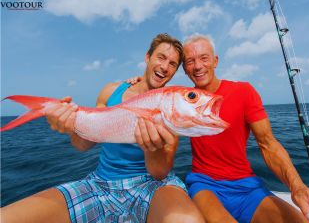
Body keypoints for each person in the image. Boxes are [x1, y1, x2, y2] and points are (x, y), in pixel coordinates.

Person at [129, 34, 309, 223]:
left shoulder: (243, 92)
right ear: (185, 69)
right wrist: (140, 82)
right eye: (190, 61)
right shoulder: (185, 99)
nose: (197, 66)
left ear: (215, 61)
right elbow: (159, 95)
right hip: (205, 185)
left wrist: (297, 188)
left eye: (204, 58)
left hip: (248, 187)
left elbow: (268, 144)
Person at [1, 33, 205, 223]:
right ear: (148, 57)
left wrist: (154, 147)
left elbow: (160, 172)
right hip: (100, 183)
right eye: (161, 57)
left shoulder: (173, 107)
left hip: (152, 185)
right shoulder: (111, 90)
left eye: (172, 64)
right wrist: (70, 125)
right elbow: (83, 144)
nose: (165, 67)